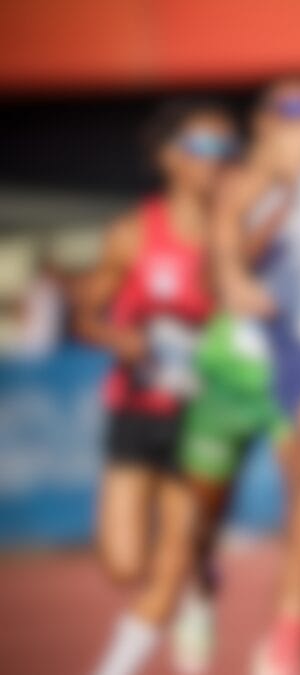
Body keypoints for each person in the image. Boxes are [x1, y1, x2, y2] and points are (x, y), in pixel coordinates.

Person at [83, 100, 236, 675]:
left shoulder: (236, 237)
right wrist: (117, 338)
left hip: (203, 417)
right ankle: (196, 574)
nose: (214, 163)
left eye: (225, 150)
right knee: (124, 563)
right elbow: (88, 314)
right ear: (169, 158)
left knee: (169, 560)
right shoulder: (133, 233)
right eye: (202, 149)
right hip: (137, 410)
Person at [209, 77, 300, 675]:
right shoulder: (254, 175)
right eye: (289, 109)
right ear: (264, 120)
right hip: (294, 338)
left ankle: (284, 648)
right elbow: (227, 257)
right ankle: (287, 628)